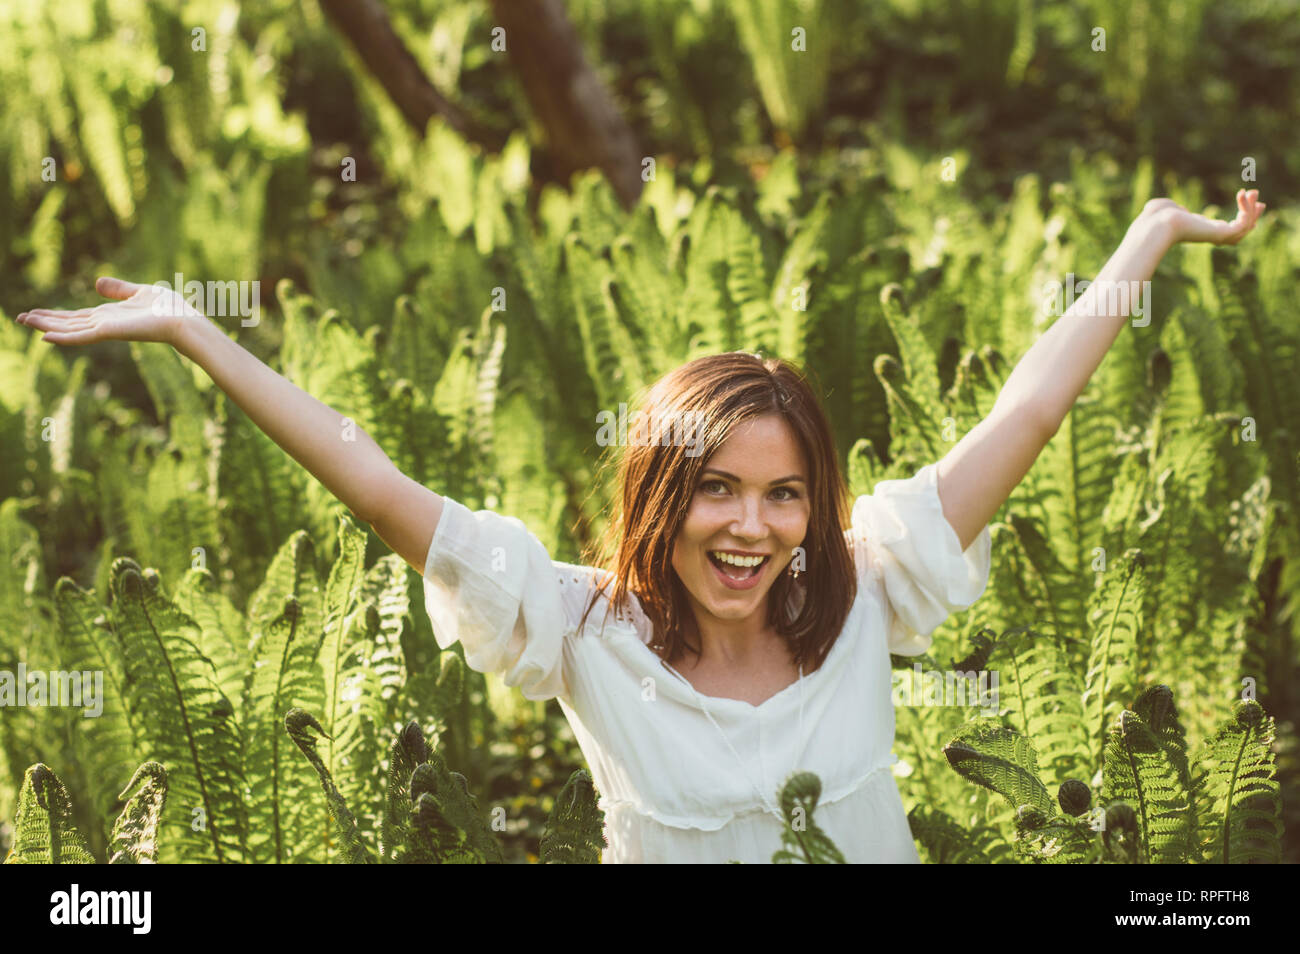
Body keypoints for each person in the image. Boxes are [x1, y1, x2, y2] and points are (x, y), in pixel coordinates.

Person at [15, 190, 1266, 863]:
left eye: (784, 495)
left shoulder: (868, 589)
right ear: (661, 494)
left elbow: (1033, 411)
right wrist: (194, 328)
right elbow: (368, 474)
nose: (751, 526)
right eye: (715, 487)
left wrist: (1149, 235)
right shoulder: (576, 624)